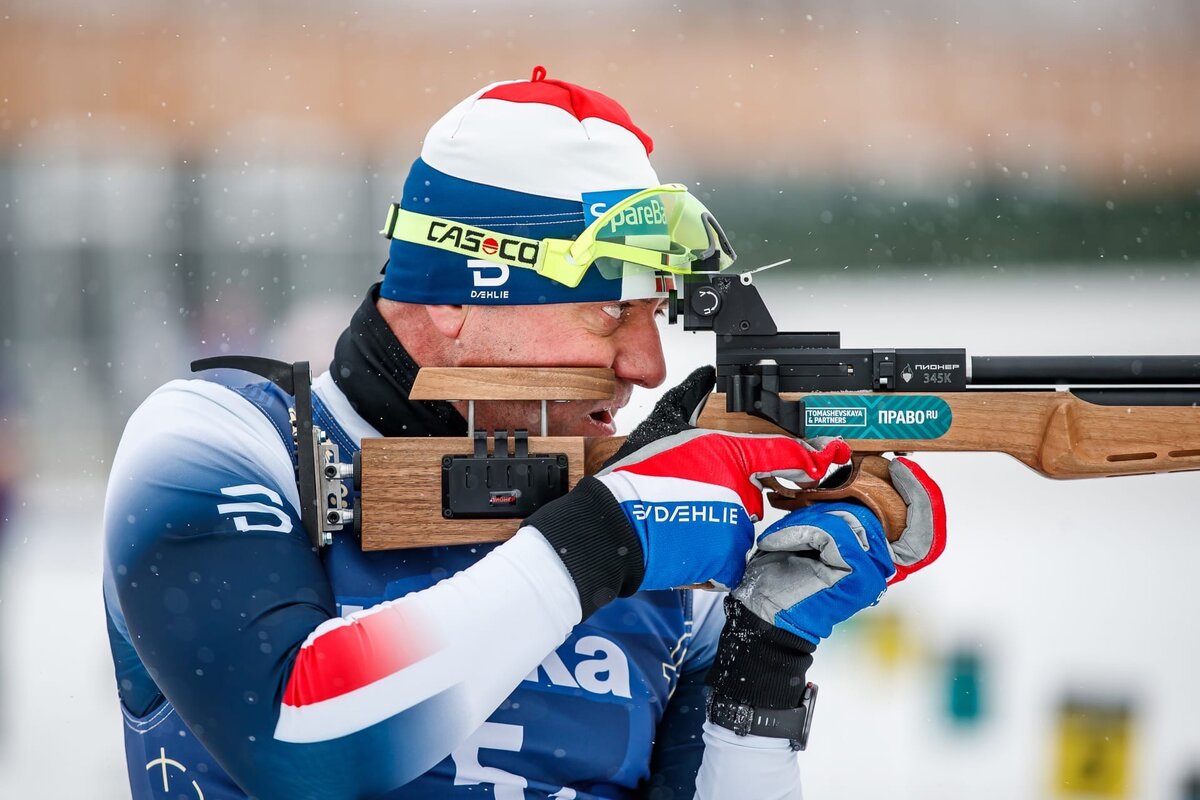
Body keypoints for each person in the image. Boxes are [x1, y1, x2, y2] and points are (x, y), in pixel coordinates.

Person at [103, 68, 947, 800]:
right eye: (610, 307)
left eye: (654, 314)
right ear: (456, 296)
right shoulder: (220, 444)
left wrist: (760, 660)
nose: (648, 364)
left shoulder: (655, 551)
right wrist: (601, 539)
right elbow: (308, 749)